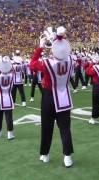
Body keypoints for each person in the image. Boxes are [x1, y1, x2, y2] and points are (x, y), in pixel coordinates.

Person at [30, 26, 74, 168]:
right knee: (65, 128)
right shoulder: (71, 60)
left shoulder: (47, 63)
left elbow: (32, 65)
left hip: (49, 96)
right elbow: (63, 53)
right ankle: (67, 157)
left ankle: (45, 154)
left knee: (47, 127)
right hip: (64, 96)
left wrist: (41, 47)